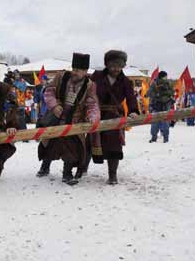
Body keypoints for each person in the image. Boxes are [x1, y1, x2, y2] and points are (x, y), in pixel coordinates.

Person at [37, 53, 100, 185]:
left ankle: (67, 173)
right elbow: (49, 92)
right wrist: (54, 106)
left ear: (85, 71)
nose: (74, 72)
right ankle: (45, 166)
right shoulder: (61, 76)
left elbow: (92, 103)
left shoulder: (90, 85)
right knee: (49, 144)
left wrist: (92, 118)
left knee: (72, 149)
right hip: (56, 119)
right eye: (74, 69)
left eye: (78, 70)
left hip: (75, 123)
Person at [90, 50, 139, 185]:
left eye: (119, 65)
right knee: (91, 142)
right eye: (113, 65)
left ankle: (112, 175)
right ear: (107, 64)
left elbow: (131, 98)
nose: (116, 69)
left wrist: (133, 110)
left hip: (115, 116)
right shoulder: (97, 76)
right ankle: (81, 169)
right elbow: (87, 92)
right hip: (97, 114)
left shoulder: (126, 82)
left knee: (114, 146)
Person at [148, 71, 174, 142]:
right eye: (165, 76)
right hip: (164, 105)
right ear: (163, 76)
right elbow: (172, 92)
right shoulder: (167, 83)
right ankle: (165, 138)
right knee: (165, 121)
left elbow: (149, 93)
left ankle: (154, 137)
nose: (166, 77)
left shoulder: (154, 83)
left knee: (155, 121)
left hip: (157, 105)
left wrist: (157, 96)